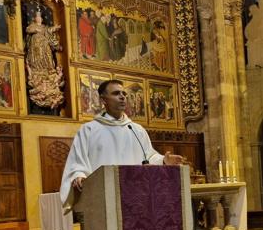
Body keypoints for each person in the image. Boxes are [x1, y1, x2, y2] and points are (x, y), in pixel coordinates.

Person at [60, 79, 184, 212]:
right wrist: (79, 174)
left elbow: (149, 156)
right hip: (102, 198)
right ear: (103, 100)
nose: (122, 97)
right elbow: (78, 161)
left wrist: (163, 160)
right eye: (116, 93)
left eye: (124, 94)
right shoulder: (89, 129)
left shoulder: (136, 130)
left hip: (135, 196)